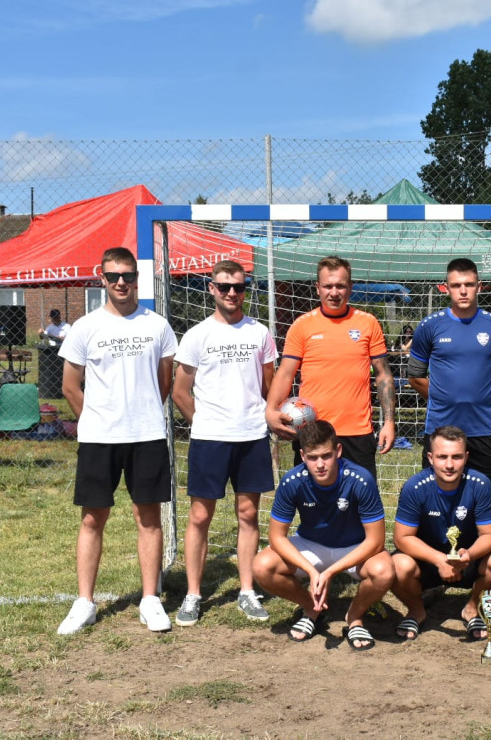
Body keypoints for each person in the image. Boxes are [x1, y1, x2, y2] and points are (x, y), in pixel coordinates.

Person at [56, 247, 178, 635]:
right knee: (92, 519)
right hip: (98, 439)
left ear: (137, 278)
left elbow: (164, 381)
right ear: (102, 278)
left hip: (146, 435)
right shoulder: (85, 327)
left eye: (127, 275)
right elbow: (70, 387)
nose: (121, 282)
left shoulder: (157, 325)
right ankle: (84, 603)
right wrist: (96, 419)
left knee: (149, 517)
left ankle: (150, 600)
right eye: (113, 276)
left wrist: (138, 412)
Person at [171, 261, 277, 626]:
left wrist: (265, 420)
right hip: (210, 440)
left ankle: (247, 590)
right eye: (224, 286)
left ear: (246, 289)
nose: (232, 292)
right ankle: (193, 594)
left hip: (251, 437)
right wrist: (204, 423)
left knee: (248, 514)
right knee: (200, 516)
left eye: (239, 286)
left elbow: (269, 387)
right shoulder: (197, 335)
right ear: (212, 289)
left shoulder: (260, 333)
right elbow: (180, 392)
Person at [252, 420, 395, 650]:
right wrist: (310, 571)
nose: (320, 464)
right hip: (311, 545)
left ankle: (354, 617)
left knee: (384, 571)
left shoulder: (361, 479)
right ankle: (313, 609)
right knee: (262, 566)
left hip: (353, 546)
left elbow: (376, 541)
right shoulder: (292, 481)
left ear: (338, 451)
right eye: (312, 457)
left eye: (326, 456)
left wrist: (330, 572)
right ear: (302, 455)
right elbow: (277, 537)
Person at [407, 258, 491, 550]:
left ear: (480, 286)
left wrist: (479, 397)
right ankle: (432, 563)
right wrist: (442, 397)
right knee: (433, 497)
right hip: (439, 429)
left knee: (490, 497)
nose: (463, 291)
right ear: (446, 288)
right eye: (456, 285)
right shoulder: (430, 326)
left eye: (469, 284)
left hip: (481, 430)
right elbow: (415, 375)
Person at [265, 256, 395, 480]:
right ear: (317, 288)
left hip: (358, 433)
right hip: (314, 433)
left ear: (350, 287)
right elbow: (286, 373)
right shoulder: (302, 325)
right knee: (314, 508)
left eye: (340, 286)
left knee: (360, 507)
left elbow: (383, 375)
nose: (334, 292)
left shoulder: (368, 323)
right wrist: (270, 411)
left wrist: (389, 422)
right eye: (328, 286)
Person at [390, 426, 491, 641]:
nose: (449, 464)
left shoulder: (481, 484)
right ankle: (416, 610)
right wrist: (439, 560)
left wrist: (469, 555)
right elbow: (402, 537)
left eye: (456, 457)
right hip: (428, 562)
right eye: (442, 457)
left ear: (466, 457)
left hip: (468, 560)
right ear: (430, 457)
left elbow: (489, 536)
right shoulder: (414, 486)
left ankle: (472, 608)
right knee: (397, 566)